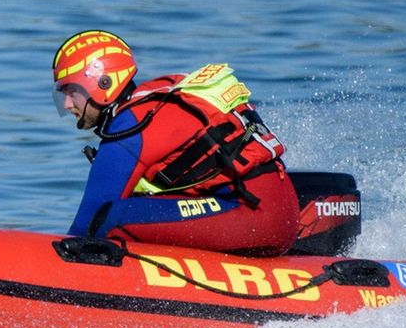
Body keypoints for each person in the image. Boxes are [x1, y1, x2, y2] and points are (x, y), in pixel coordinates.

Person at [53, 30, 299, 255]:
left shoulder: (129, 128)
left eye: (71, 91)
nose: (66, 104)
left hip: (255, 218)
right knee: (135, 209)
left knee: (109, 217)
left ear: (102, 83)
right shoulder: (157, 97)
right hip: (275, 212)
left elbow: (86, 225)